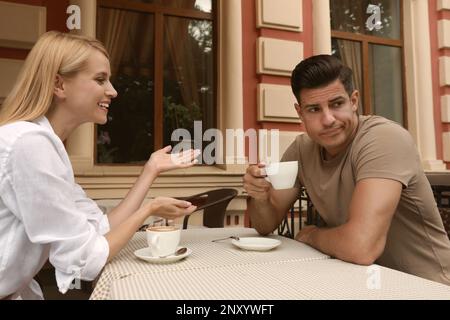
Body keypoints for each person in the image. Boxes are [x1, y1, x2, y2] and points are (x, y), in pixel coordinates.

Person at [0, 31, 199, 299]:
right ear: (59, 85)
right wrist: (149, 209)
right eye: (100, 79)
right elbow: (86, 259)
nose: (113, 91)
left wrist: (150, 170)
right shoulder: (29, 145)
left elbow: (101, 228)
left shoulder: (42, 145)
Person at [243, 54, 450, 285]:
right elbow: (264, 225)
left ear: (354, 101)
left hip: (426, 286)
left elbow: (362, 246)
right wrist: (259, 196)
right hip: (359, 280)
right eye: (314, 109)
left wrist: (312, 235)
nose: (328, 119)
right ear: (300, 113)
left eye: (336, 104)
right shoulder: (301, 149)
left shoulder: (384, 139)